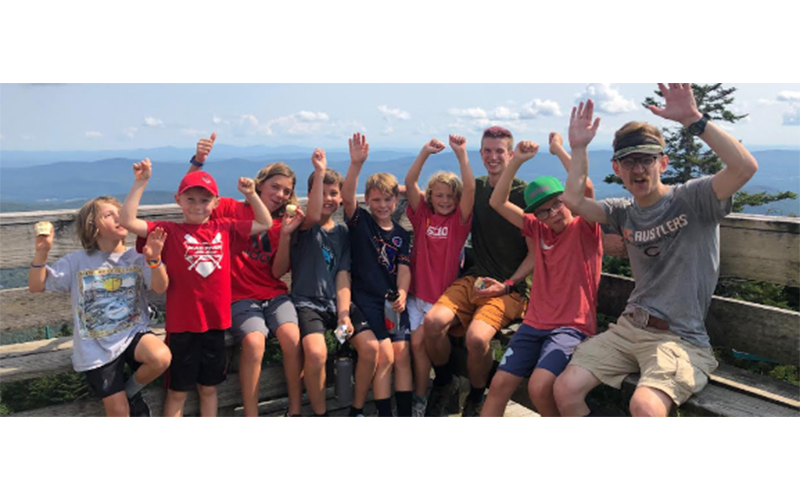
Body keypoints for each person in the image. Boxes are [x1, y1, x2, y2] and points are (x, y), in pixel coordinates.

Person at [554, 84, 759, 417]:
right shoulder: (623, 211)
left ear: (663, 163)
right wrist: (578, 148)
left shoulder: (693, 199)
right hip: (629, 328)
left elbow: (744, 168)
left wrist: (694, 119)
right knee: (565, 389)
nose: (638, 170)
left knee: (645, 407)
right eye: (629, 162)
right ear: (617, 168)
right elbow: (575, 202)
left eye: (646, 160)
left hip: (680, 338)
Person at [120, 159, 271, 417]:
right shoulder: (168, 231)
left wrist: (251, 195)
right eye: (191, 199)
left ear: (216, 202)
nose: (198, 206)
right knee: (178, 392)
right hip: (183, 325)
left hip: (215, 323)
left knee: (209, 389)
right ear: (178, 200)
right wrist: (140, 182)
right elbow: (128, 220)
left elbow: (265, 223)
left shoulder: (226, 228)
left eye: (205, 200)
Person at [481, 133, 603, 417]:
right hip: (535, 323)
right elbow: (497, 202)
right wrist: (517, 162)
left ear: (567, 199)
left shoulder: (585, 227)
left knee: (539, 385)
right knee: (499, 383)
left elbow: (584, 185)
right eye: (544, 211)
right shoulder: (538, 228)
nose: (553, 214)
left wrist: (557, 149)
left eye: (558, 203)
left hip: (572, 325)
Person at [188, 133, 305, 417]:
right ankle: (251, 415)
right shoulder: (230, 208)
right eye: (274, 187)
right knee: (254, 342)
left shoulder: (284, 224)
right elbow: (192, 196)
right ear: (260, 184)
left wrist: (287, 236)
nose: (279, 195)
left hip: (273, 293)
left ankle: (296, 410)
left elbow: (278, 272)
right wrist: (198, 161)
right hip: (238, 297)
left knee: (292, 337)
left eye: (285, 191)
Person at [423, 126, 535, 417]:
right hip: (474, 278)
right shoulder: (480, 186)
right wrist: (396, 189)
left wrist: (509, 284)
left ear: (511, 155)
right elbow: (444, 195)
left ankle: (476, 394)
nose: (493, 156)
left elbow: (536, 254)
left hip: (510, 289)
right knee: (433, 323)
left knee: (476, 339)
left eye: (500, 151)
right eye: (487, 150)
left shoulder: (525, 195)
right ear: (481, 153)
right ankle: (445, 380)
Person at [29, 196, 172, 416]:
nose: (119, 218)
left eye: (120, 212)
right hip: (94, 345)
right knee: (119, 412)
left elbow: (160, 287)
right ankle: (124, 398)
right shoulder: (77, 261)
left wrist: (154, 260)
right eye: (108, 215)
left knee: (161, 356)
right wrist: (42, 252)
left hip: (132, 332)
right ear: (93, 227)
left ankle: (130, 391)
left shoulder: (136, 256)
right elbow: (37, 285)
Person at [272, 149, 379, 417]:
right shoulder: (304, 226)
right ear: (311, 195)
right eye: (323, 192)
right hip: (308, 303)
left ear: (343, 197)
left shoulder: (342, 233)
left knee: (370, 347)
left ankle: (355, 408)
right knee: (316, 353)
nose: (329, 199)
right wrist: (320, 172)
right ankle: (320, 415)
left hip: (336, 303)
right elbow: (315, 212)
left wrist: (344, 314)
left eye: (335, 193)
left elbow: (343, 275)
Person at [403, 135, 475, 417]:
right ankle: (421, 396)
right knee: (414, 347)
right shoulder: (423, 217)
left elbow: (470, 187)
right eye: (439, 195)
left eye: (450, 196)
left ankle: (423, 396)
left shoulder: (458, 222)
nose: (444, 200)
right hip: (415, 296)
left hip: (440, 298)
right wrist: (424, 153)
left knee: (419, 343)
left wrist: (462, 155)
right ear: (430, 196)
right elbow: (409, 184)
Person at [343, 132, 413, 417]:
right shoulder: (361, 223)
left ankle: (405, 414)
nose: (382, 205)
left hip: (394, 302)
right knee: (384, 356)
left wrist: (405, 294)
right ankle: (385, 415)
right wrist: (356, 164)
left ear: (397, 200)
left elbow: (405, 269)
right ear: (368, 201)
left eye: (387, 199)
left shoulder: (401, 235)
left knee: (402, 356)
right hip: (367, 301)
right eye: (376, 200)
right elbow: (347, 197)